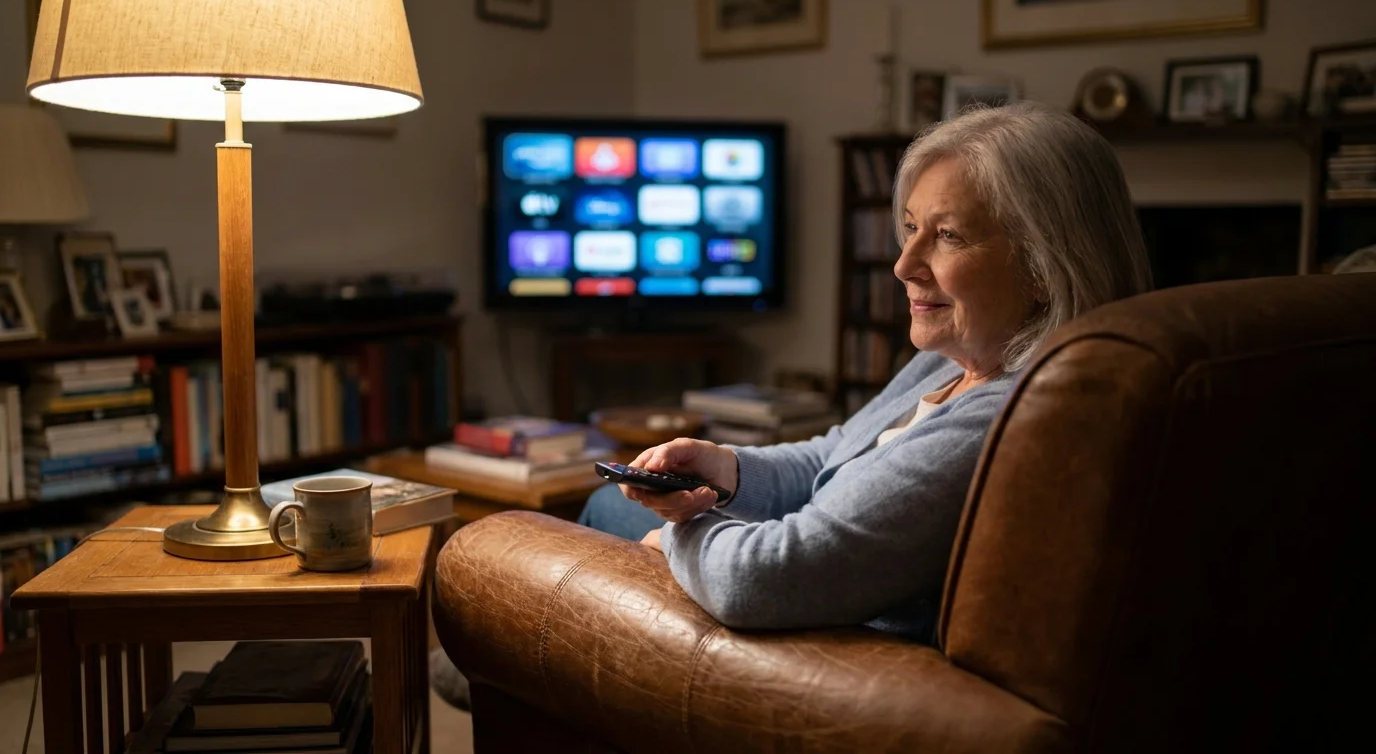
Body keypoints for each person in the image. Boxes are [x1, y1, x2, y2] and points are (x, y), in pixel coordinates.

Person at [430, 101, 1153, 708]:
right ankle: (520, 684)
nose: (904, 265)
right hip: (817, 552)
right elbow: (836, 452)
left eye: (950, 235)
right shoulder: (954, 355)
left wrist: (682, 532)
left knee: (566, 524)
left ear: (1045, 259)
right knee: (616, 503)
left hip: (826, 627)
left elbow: (763, 577)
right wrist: (729, 465)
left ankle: (505, 684)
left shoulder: (1008, 417)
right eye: (910, 226)